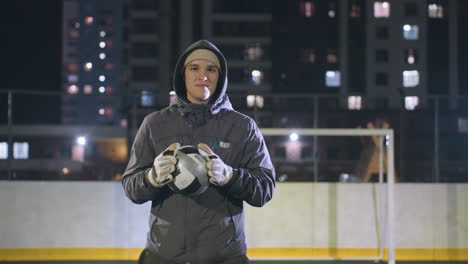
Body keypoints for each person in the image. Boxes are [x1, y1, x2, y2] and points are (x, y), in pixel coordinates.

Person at [122, 40, 276, 264]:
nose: (202, 75)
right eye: (194, 68)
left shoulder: (243, 127)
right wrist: (151, 178)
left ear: (220, 78)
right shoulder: (155, 124)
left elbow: (265, 189)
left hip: (224, 257)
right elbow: (130, 187)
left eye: (210, 69)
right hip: (163, 255)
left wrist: (230, 176)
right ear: (182, 75)